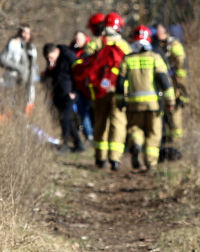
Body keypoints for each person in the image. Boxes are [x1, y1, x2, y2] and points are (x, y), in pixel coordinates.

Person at [115, 26, 176, 171]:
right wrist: (170, 102)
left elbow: (119, 83)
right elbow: (165, 82)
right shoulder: (155, 58)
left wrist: (120, 101)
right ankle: (150, 163)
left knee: (135, 129)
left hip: (134, 106)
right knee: (153, 133)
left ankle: (136, 143)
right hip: (153, 105)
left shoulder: (127, 59)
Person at [78, 12, 131, 170]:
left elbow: (85, 57)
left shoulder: (97, 41)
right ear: (119, 26)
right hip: (119, 90)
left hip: (100, 89)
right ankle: (115, 159)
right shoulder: (124, 45)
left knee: (100, 122)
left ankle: (100, 158)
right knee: (118, 123)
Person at [42, 43, 86, 153]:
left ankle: (65, 144)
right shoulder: (52, 61)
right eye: (48, 59)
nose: (50, 60)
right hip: (58, 94)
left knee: (64, 118)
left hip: (69, 93)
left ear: (56, 51)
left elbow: (80, 73)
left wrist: (75, 91)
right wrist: (50, 69)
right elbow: (49, 76)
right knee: (65, 119)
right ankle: (78, 144)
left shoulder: (69, 56)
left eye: (51, 57)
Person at [154, 23, 188, 158]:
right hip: (163, 84)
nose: (157, 34)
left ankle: (177, 147)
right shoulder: (158, 45)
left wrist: (178, 81)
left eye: (159, 31)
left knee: (175, 114)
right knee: (165, 116)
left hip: (175, 85)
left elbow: (181, 61)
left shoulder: (174, 45)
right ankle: (167, 150)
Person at [0, 24, 38, 115]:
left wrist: (31, 80)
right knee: (9, 104)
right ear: (19, 32)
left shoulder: (32, 47)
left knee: (24, 106)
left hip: (26, 82)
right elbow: (1, 59)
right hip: (12, 78)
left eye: (28, 33)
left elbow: (32, 66)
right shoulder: (12, 44)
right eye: (23, 32)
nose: (25, 35)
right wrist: (18, 68)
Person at [70, 30, 94, 142]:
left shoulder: (91, 49)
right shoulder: (72, 51)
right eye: (76, 39)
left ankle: (92, 133)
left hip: (90, 86)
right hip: (78, 86)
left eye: (79, 39)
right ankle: (89, 134)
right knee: (82, 111)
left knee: (92, 110)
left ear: (85, 39)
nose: (77, 41)